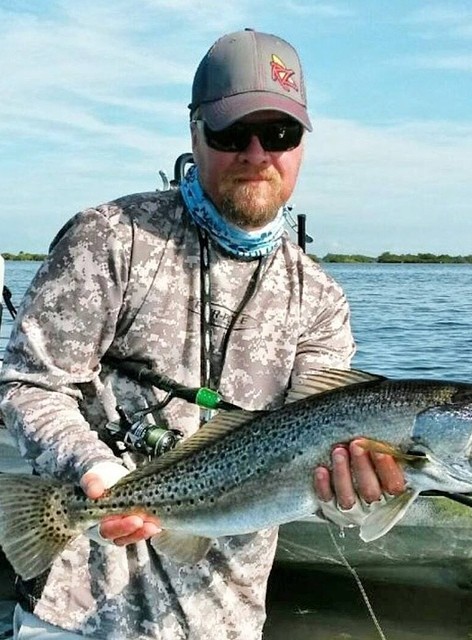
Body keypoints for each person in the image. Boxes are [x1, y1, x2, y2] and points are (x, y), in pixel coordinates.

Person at [0, 28, 404, 640]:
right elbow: (31, 383)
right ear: (194, 133)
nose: (255, 152)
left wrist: (359, 492)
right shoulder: (110, 239)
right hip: (76, 611)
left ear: (300, 145)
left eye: (279, 134)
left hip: (226, 618)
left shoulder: (320, 300)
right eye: (230, 133)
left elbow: (323, 449)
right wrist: (92, 468)